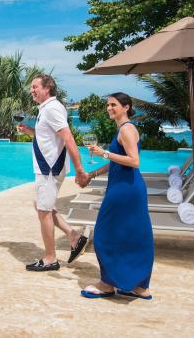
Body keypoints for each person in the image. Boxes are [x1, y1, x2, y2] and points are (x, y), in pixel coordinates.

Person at [78, 92, 154, 299]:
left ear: (126, 107)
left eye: (114, 104)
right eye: (108, 105)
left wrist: (103, 152)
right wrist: (93, 174)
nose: (109, 108)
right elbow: (117, 162)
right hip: (125, 187)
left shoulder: (126, 129)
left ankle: (107, 284)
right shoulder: (123, 129)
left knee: (104, 233)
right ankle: (139, 287)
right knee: (132, 235)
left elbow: (134, 161)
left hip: (125, 190)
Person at [17, 74, 89, 271]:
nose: (31, 90)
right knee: (41, 206)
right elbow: (48, 136)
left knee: (44, 211)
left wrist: (80, 169)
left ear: (47, 88)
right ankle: (74, 237)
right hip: (46, 168)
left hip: (49, 169)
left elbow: (68, 138)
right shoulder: (46, 109)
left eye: (35, 86)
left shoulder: (52, 108)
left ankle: (50, 258)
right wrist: (30, 131)